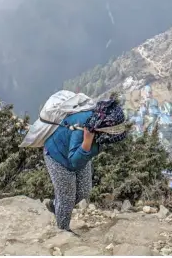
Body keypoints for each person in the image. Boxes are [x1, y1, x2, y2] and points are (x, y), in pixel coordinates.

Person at [43, 94, 128, 234]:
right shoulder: (83, 127)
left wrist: (87, 146)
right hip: (57, 156)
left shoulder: (97, 127)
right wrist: (87, 142)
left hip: (80, 155)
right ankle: (63, 232)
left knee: (84, 191)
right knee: (67, 198)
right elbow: (74, 161)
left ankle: (55, 206)